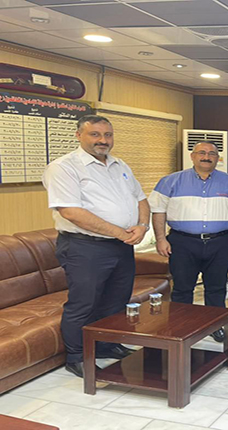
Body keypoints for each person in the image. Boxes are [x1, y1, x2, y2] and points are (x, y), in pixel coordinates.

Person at [42, 115, 150, 378]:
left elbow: (140, 199)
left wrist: (142, 225)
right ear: (79, 135)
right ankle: (77, 356)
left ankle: (107, 345)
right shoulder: (64, 167)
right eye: (95, 134)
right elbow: (71, 212)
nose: (103, 140)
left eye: (108, 135)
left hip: (121, 246)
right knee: (84, 302)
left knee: (117, 299)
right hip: (84, 247)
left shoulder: (119, 164)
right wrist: (120, 233)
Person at [148, 141, 228, 342]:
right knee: (182, 289)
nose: (206, 157)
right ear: (192, 156)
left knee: (216, 288)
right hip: (182, 243)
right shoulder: (170, 181)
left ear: (218, 158)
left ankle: (215, 325)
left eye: (212, 153)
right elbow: (158, 211)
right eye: (201, 152)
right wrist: (160, 239)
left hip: (220, 243)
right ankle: (181, 327)